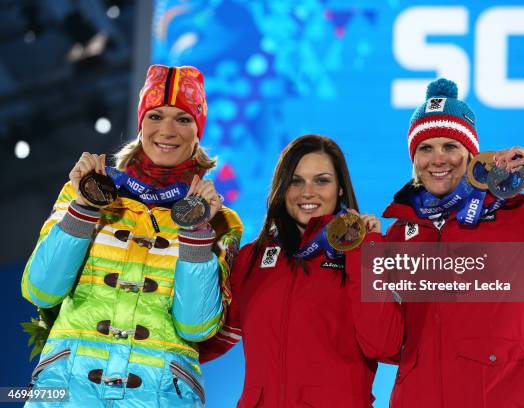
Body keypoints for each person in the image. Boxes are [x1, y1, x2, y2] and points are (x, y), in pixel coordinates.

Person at [21, 64, 242, 407]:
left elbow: (196, 326)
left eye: (183, 119)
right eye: (155, 116)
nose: (167, 130)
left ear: (198, 132)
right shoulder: (85, 190)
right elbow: (41, 288)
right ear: (141, 125)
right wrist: (84, 206)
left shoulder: (221, 221)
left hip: (159, 395)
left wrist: (197, 231)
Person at [382, 78, 524, 407]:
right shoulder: (400, 233)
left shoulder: (519, 217)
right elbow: (388, 341)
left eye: (450, 146)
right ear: (413, 158)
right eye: (425, 148)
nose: (438, 159)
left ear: (472, 154)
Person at [198, 134, 403, 407]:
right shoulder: (253, 258)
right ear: (282, 188)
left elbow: (384, 346)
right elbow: (209, 340)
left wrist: (365, 253)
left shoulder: (363, 251)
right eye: (296, 180)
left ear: (340, 188)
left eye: (322, 180)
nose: (308, 192)